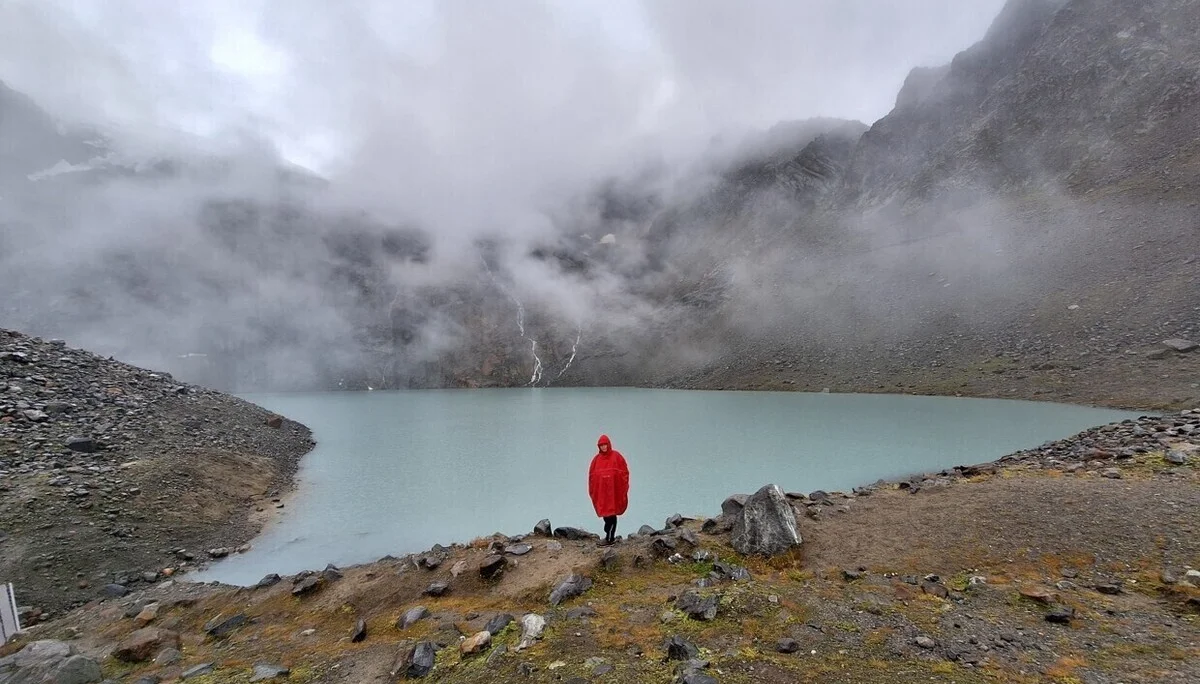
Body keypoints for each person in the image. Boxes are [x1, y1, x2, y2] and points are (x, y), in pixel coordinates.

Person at [588, 434, 630, 545]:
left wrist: (617, 482)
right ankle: (608, 535)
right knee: (606, 515)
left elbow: (624, 473)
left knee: (612, 514)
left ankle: (610, 538)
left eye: (605, 445)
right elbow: (592, 477)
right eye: (601, 445)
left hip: (613, 493)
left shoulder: (617, 457)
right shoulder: (596, 460)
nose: (603, 447)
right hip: (602, 493)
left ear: (609, 444)